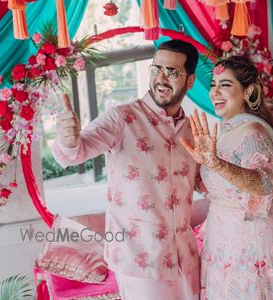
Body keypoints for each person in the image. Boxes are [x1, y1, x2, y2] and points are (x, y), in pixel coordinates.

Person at [51, 39, 201, 300]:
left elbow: (203, 182)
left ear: (190, 81)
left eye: (172, 72)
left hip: (186, 259)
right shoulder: (121, 118)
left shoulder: (191, 130)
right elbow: (77, 150)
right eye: (157, 69)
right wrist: (67, 138)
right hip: (140, 261)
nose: (161, 78)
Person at [180, 56, 273, 300]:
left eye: (225, 85)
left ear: (248, 91)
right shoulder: (226, 131)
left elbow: (264, 184)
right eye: (213, 85)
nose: (215, 92)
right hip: (222, 237)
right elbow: (217, 187)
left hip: (251, 242)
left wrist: (216, 164)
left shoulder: (253, 132)